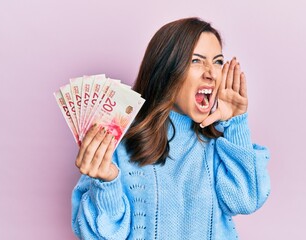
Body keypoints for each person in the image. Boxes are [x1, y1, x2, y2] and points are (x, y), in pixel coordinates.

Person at [72, 17, 271, 240]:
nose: (211, 73)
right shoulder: (119, 142)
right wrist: (106, 184)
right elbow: (97, 235)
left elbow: (245, 200)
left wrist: (236, 123)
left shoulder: (220, 145)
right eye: (196, 61)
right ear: (167, 69)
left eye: (217, 62)